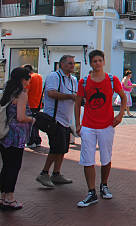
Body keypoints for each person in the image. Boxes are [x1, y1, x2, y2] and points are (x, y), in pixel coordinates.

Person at [74, 49, 126, 208]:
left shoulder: (112, 80)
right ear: (90, 63)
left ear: (103, 62)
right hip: (88, 125)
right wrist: (78, 123)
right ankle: (91, 192)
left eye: (99, 60)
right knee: (87, 159)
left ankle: (104, 185)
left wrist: (120, 115)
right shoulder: (84, 81)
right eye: (94, 61)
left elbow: (123, 97)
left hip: (107, 125)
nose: (97, 63)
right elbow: (77, 103)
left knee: (106, 158)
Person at [35, 55, 78, 189]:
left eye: (73, 63)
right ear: (62, 64)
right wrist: (70, 96)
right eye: (70, 63)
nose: (72, 66)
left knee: (63, 148)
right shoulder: (54, 76)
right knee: (56, 148)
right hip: (54, 119)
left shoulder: (73, 80)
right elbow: (51, 93)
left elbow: (77, 96)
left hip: (66, 120)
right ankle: (44, 173)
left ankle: (56, 173)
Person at [0, 67, 34, 210]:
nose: (28, 83)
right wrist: (31, 119)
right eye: (27, 80)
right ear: (22, 79)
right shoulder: (21, 94)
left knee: (6, 166)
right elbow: (20, 117)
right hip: (16, 135)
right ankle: (10, 198)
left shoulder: (7, 92)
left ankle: (2, 197)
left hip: (4, 133)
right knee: (14, 166)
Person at [24, 64, 43, 149]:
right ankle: (37, 140)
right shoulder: (38, 76)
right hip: (38, 103)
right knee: (36, 123)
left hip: (30, 103)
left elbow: (26, 91)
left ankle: (31, 141)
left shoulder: (30, 78)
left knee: (30, 123)